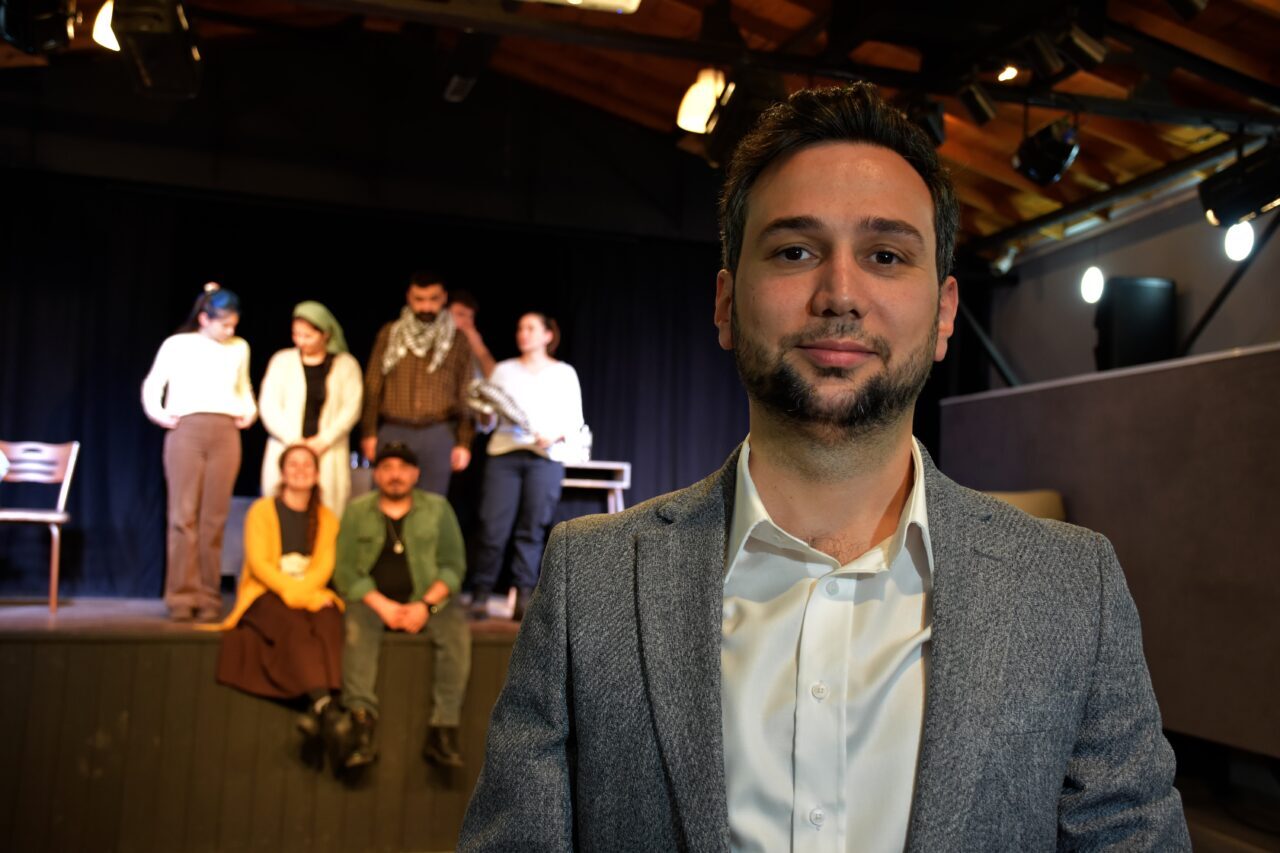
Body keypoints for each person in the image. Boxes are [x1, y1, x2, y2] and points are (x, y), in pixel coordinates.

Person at [460, 84, 1189, 851]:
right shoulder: (590, 581)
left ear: (945, 313)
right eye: (795, 251)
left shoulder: (1072, 587)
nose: (840, 294)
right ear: (725, 303)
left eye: (885, 255)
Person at [333, 442, 471, 770]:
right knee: (356, 631)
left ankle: (443, 731)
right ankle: (361, 728)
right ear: (376, 474)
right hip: (372, 602)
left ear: (416, 474)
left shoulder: (438, 508)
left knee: (455, 632)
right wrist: (381, 605)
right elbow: (345, 571)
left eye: (403, 468)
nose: (395, 475)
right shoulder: (357, 510)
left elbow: (454, 566)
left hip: (426, 601)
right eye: (387, 468)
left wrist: (424, 604)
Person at [142, 283, 256, 622]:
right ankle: (181, 594)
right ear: (205, 318)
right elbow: (153, 384)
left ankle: (209, 596)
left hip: (225, 432)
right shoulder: (178, 345)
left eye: (234, 324)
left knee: (214, 518)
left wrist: (249, 411)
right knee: (183, 517)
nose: (230, 330)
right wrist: (160, 414)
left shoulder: (239, 347)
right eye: (224, 324)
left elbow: (243, 387)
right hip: (187, 430)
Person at [215, 443, 344, 740]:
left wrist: (305, 594)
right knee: (293, 625)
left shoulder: (327, 518)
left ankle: (321, 708)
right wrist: (295, 593)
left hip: (310, 590)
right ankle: (326, 705)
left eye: (307, 465)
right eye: (293, 465)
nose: (300, 471)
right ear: (283, 473)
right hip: (267, 591)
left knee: (329, 621)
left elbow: (324, 566)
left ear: (316, 475)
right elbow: (259, 564)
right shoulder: (261, 511)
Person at [468, 312, 583, 621]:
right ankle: (481, 592)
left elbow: (574, 421)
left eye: (531, 328)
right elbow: (490, 419)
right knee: (493, 526)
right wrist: (483, 413)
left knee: (531, 529)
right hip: (505, 454)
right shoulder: (504, 370)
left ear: (548, 335)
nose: (523, 333)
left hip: (544, 458)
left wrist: (554, 435)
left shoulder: (563, 373)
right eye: (520, 328)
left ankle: (523, 597)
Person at [360, 272, 474, 496]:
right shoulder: (391, 333)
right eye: (419, 299)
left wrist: (464, 442)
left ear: (444, 298)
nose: (426, 307)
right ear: (408, 298)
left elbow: (466, 394)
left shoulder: (457, 339)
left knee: (432, 504)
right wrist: (369, 432)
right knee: (385, 498)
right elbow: (373, 386)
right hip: (394, 428)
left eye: (433, 299)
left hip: (438, 431)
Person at [259, 301, 363, 515]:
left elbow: (351, 407)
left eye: (308, 336)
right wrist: (293, 441)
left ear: (325, 334)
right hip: (287, 445)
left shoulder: (346, 364)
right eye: (296, 334)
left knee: (327, 510)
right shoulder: (281, 361)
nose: (301, 341)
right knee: (280, 508)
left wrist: (324, 440)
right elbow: (269, 405)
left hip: (327, 448)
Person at [448, 289, 497, 379]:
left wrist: (480, 348)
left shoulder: (472, 348)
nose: (468, 322)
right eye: (460, 314)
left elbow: (497, 379)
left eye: (471, 317)